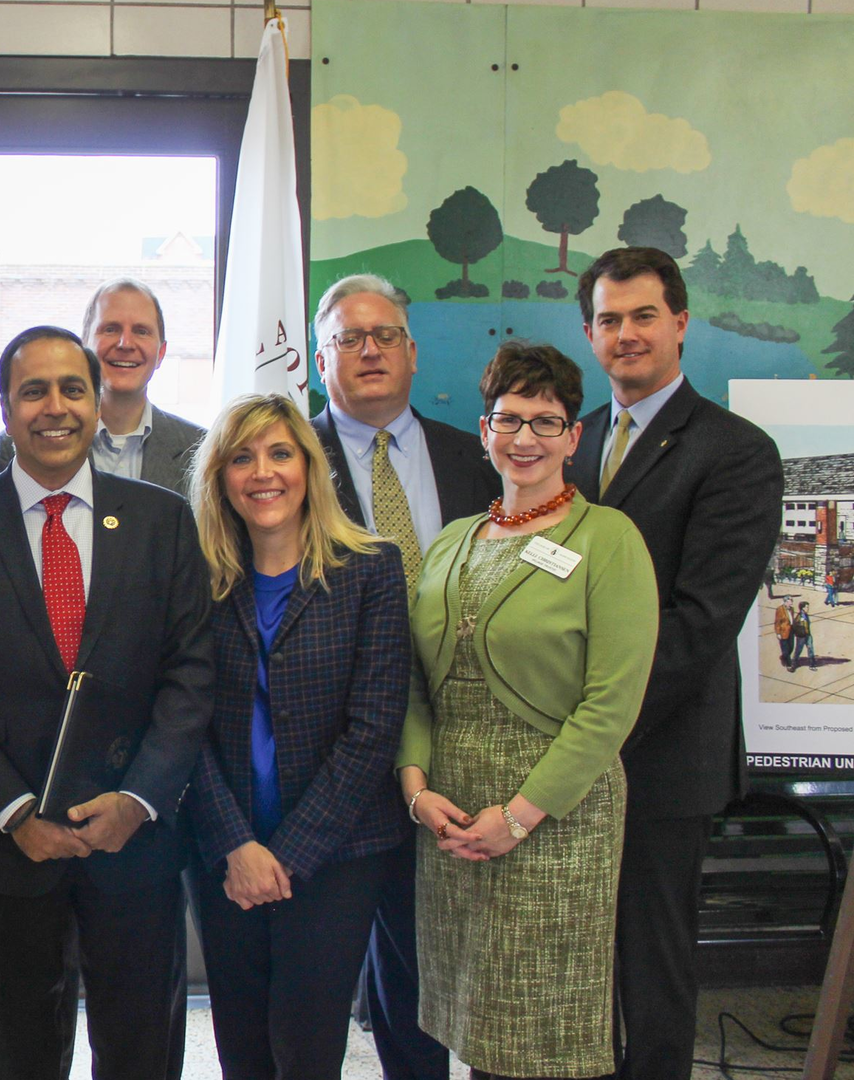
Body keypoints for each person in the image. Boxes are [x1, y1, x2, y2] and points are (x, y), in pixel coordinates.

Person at [0, 325, 218, 1080]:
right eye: (33, 390)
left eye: (73, 388)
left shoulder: (161, 519)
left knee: (141, 1051)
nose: (56, 407)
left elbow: (191, 674)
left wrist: (138, 797)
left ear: (98, 402)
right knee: (19, 1056)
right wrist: (15, 812)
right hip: (3, 850)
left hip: (132, 843)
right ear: (7, 412)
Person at [405, 342, 659, 1079]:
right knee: (476, 1024)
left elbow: (610, 705)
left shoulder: (608, 540)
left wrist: (519, 816)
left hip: (556, 818)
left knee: (543, 1034)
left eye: (545, 421)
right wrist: (416, 791)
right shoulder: (452, 543)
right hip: (451, 818)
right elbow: (418, 682)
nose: (524, 439)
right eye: (508, 419)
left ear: (574, 437)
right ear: (484, 431)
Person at [562, 247, 783, 1080]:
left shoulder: (734, 451)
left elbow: (700, 622)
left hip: (660, 754)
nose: (626, 335)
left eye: (643, 315)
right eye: (610, 320)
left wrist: (592, 730)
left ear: (681, 324)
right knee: (580, 966)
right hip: (571, 758)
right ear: (589, 333)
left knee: (653, 970)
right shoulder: (571, 444)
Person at [182, 393, 411, 1080]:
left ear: (309, 467)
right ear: (220, 477)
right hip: (224, 848)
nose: (263, 472)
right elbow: (179, 723)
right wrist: (236, 846)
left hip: (337, 852)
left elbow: (374, 730)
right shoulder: (194, 579)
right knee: (242, 1047)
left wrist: (286, 855)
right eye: (242, 457)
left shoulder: (372, 569)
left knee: (307, 1050)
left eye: (281, 452)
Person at [308, 272, 498, 1080]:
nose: (371, 350)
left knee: (449, 956)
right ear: (322, 362)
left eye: (385, 335)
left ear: (415, 353)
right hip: (339, 749)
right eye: (350, 338)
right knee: (356, 962)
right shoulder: (288, 461)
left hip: (463, 745)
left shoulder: (477, 458)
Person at [0, 278, 205, 497]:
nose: (125, 344)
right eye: (110, 329)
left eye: (141, 331)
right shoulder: (15, 443)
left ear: (161, 353)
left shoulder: (199, 448)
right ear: (84, 346)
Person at [795, 602, 817, 669]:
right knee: (798, 650)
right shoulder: (799, 616)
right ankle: (794, 664)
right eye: (807, 607)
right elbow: (795, 625)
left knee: (811, 649)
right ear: (803, 608)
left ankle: (812, 664)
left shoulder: (805, 615)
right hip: (801, 636)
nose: (808, 608)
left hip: (807, 635)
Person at [777, 598, 796, 672]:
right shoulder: (780, 610)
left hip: (791, 630)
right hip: (783, 631)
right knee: (785, 649)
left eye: (791, 602)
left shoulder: (792, 609)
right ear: (785, 602)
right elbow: (777, 621)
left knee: (791, 647)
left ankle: (784, 657)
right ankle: (789, 665)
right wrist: (778, 633)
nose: (791, 604)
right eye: (790, 602)